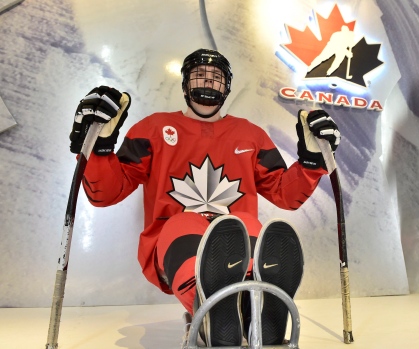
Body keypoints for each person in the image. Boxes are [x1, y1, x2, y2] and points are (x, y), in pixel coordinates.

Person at [69, 48, 341, 345]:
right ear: (185, 82)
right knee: (182, 225)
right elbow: (105, 194)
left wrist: (310, 162)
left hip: (237, 234)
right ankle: (216, 306)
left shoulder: (250, 135)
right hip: (171, 240)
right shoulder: (153, 129)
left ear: (227, 86)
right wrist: (98, 148)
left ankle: (251, 311)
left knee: (247, 226)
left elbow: (285, 195)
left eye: (216, 77)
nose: (208, 82)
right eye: (200, 75)